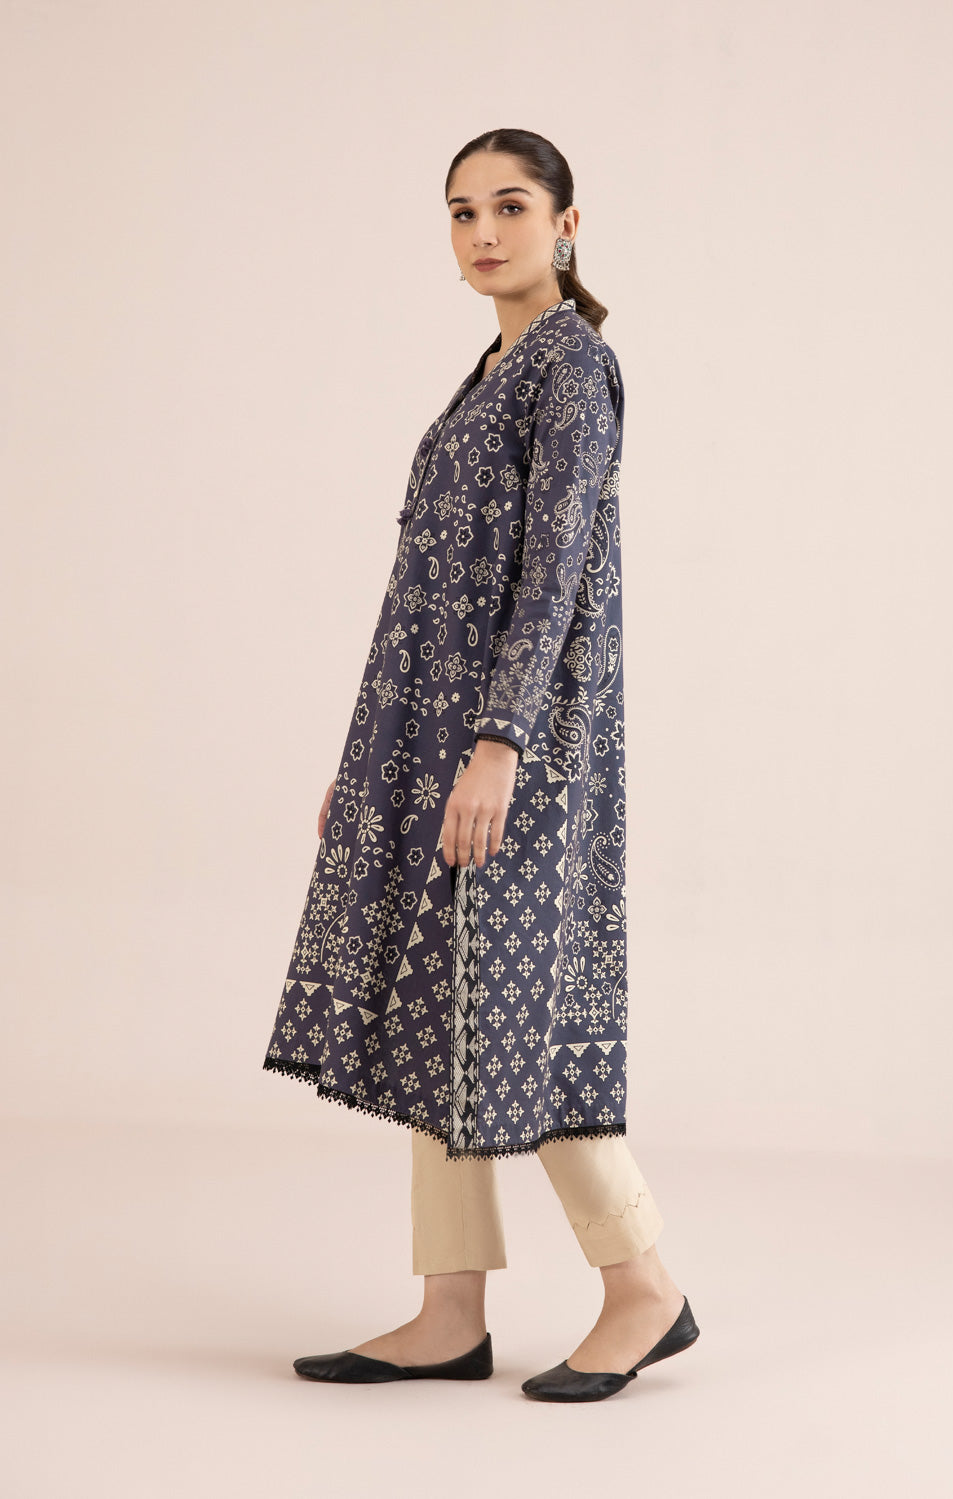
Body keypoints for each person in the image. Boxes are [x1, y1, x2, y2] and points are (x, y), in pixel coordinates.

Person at [263, 128, 701, 1402]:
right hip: (435, 742)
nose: (483, 232)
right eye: (461, 212)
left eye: (510, 206)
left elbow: (553, 574)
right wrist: (376, 754)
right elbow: (425, 588)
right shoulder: (492, 371)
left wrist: (500, 742)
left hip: (520, 750)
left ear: (567, 222)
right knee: (437, 999)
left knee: (521, 1008)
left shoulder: (573, 367)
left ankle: (643, 1286)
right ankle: (449, 1311)